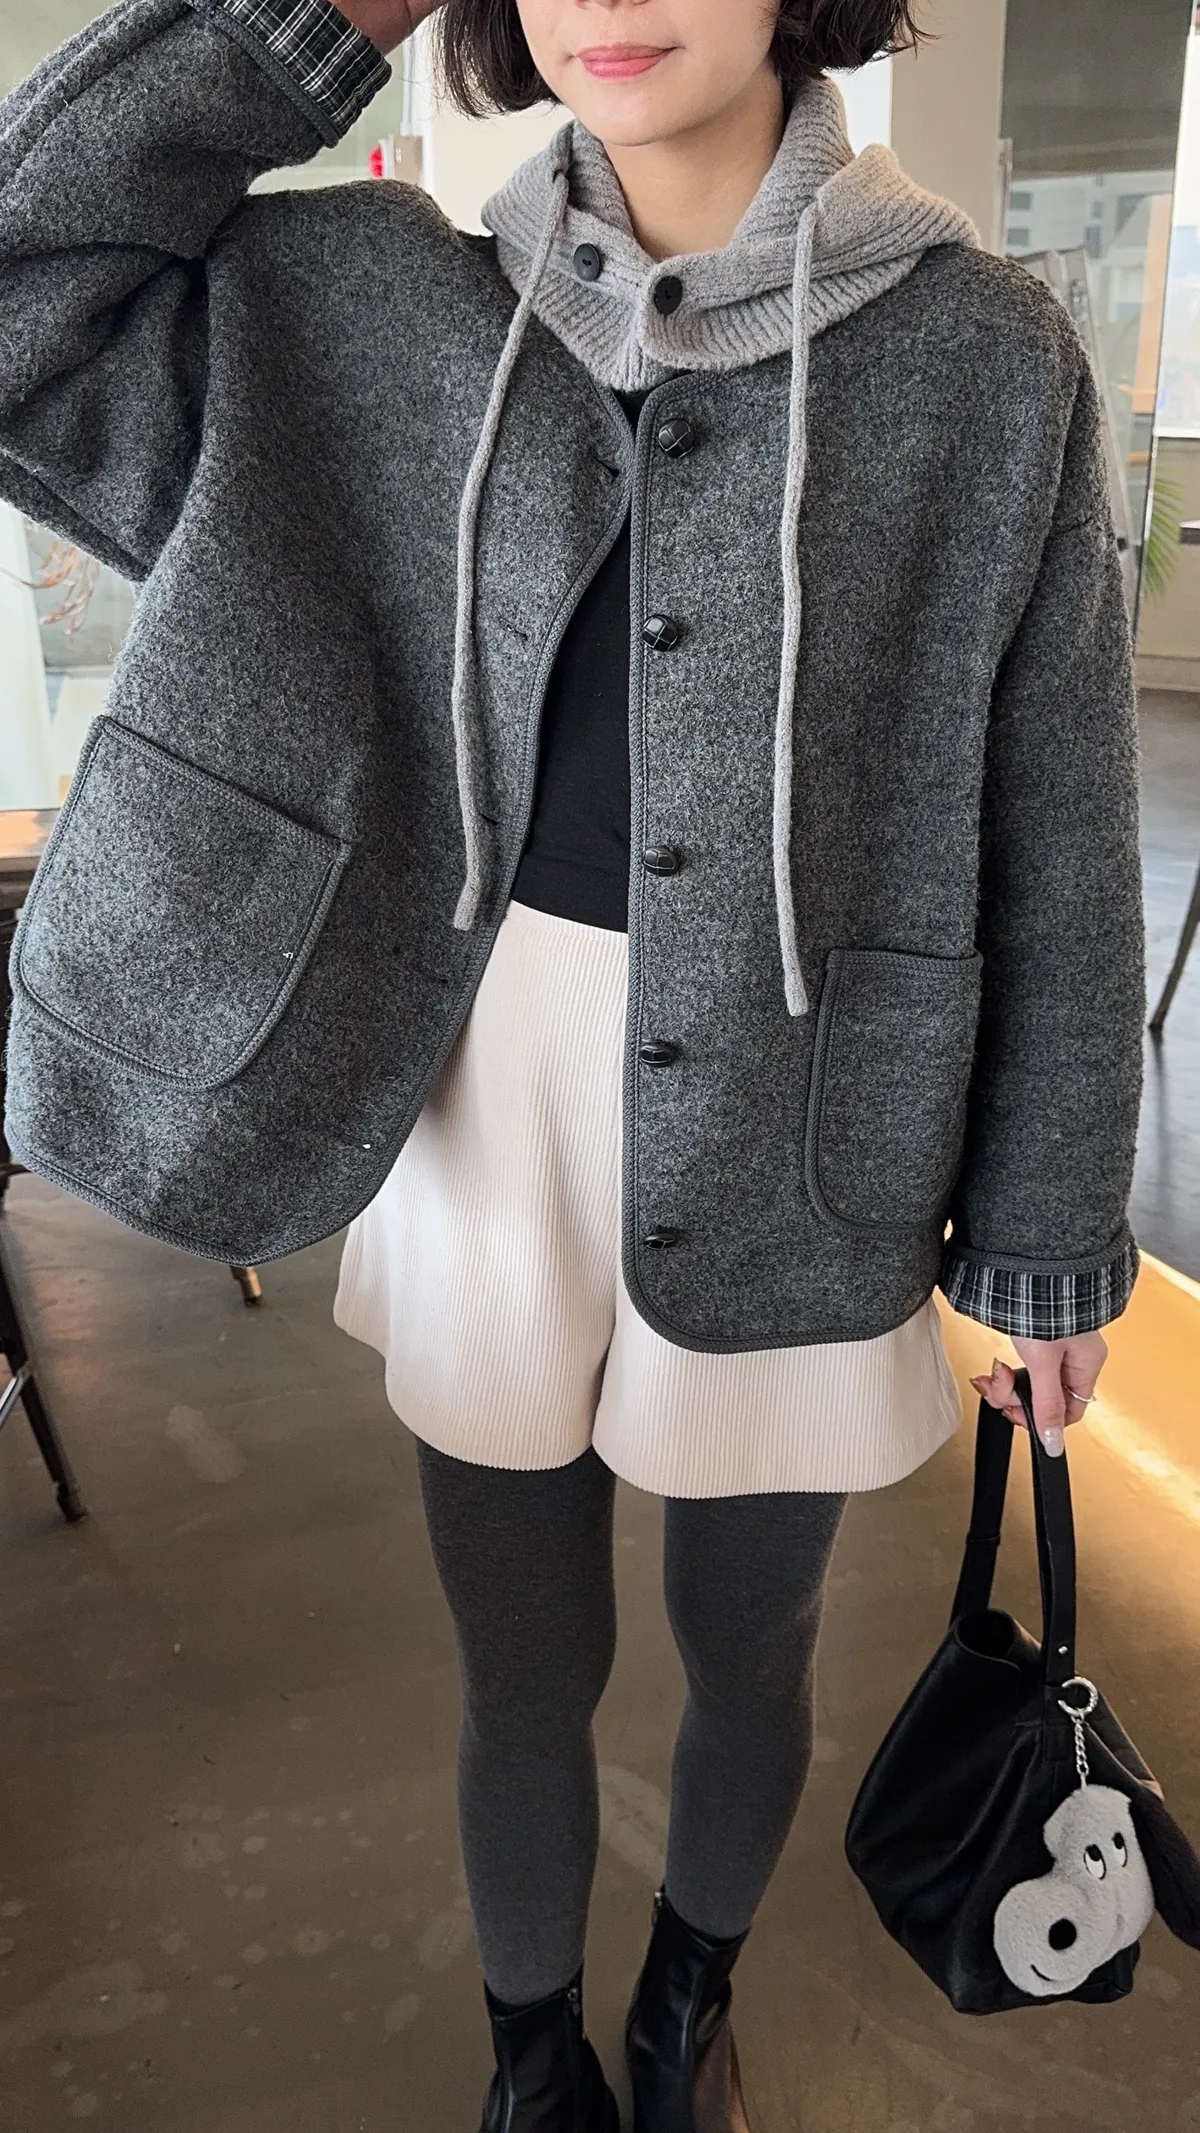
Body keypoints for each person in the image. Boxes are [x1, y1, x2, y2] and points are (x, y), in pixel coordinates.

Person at [0, 0, 1145, 2127]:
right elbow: (20, 282)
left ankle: (685, 2007)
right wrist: (304, 22)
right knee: (519, 1666)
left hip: (817, 1114)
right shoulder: (366, 310)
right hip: (485, 1107)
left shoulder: (985, 358)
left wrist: (1053, 1232)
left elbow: (1061, 814)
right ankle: (532, 2058)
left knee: (751, 1649)